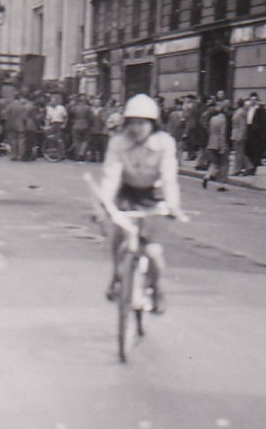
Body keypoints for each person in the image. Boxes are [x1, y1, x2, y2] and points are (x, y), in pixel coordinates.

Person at [98, 94, 187, 314]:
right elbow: (111, 174)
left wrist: (173, 206)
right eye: (133, 123)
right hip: (127, 193)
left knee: (154, 253)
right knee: (119, 238)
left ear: (152, 124)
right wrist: (105, 204)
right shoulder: (118, 142)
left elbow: (168, 177)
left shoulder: (165, 143)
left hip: (153, 195)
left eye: (143, 123)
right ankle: (117, 277)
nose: (137, 128)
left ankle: (156, 289)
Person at [202, 102, 230, 188]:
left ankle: (207, 175)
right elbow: (222, 134)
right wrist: (222, 147)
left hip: (211, 143)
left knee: (214, 163)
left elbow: (210, 131)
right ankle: (221, 185)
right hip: (219, 144)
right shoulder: (223, 120)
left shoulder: (213, 119)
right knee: (224, 164)